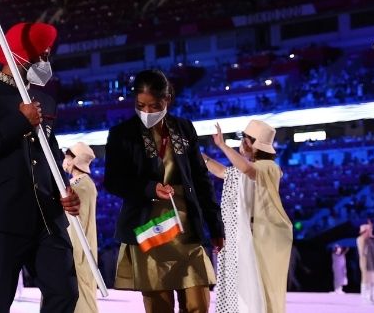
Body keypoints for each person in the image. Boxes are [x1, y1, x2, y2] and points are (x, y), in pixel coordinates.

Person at [0, 22, 82, 313]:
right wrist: (18, 121)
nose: (46, 63)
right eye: (42, 56)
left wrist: (64, 188)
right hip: (1, 219)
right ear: (19, 57)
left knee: (65, 292)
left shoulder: (46, 99)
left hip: (46, 217)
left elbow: (49, 151)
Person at [105, 69, 223, 313]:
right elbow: (113, 181)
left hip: (187, 228)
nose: (147, 112)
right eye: (141, 105)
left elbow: (201, 179)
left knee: (198, 304)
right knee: (159, 307)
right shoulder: (122, 135)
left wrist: (215, 225)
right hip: (150, 230)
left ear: (167, 99)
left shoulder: (183, 128)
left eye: (154, 105)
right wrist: (149, 188)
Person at [206, 119, 292, 313]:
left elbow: (247, 169)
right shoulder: (246, 169)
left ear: (251, 143)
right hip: (240, 237)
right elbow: (224, 172)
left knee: (251, 291)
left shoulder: (269, 167)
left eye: (244, 139)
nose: (241, 143)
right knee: (238, 290)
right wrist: (198, 155)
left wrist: (221, 145)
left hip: (257, 238)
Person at [63, 142, 98, 313]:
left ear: (74, 159)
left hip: (78, 244)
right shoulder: (82, 183)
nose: (65, 160)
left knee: (80, 289)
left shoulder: (80, 185)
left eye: (67, 156)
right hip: (77, 241)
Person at [358, 222, 374, 304]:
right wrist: (369, 227)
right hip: (366, 262)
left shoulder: (371, 240)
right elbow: (362, 253)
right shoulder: (361, 239)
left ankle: (372, 297)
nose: (371, 231)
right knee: (366, 279)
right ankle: (365, 297)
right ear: (365, 231)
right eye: (369, 230)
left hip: (373, 262)